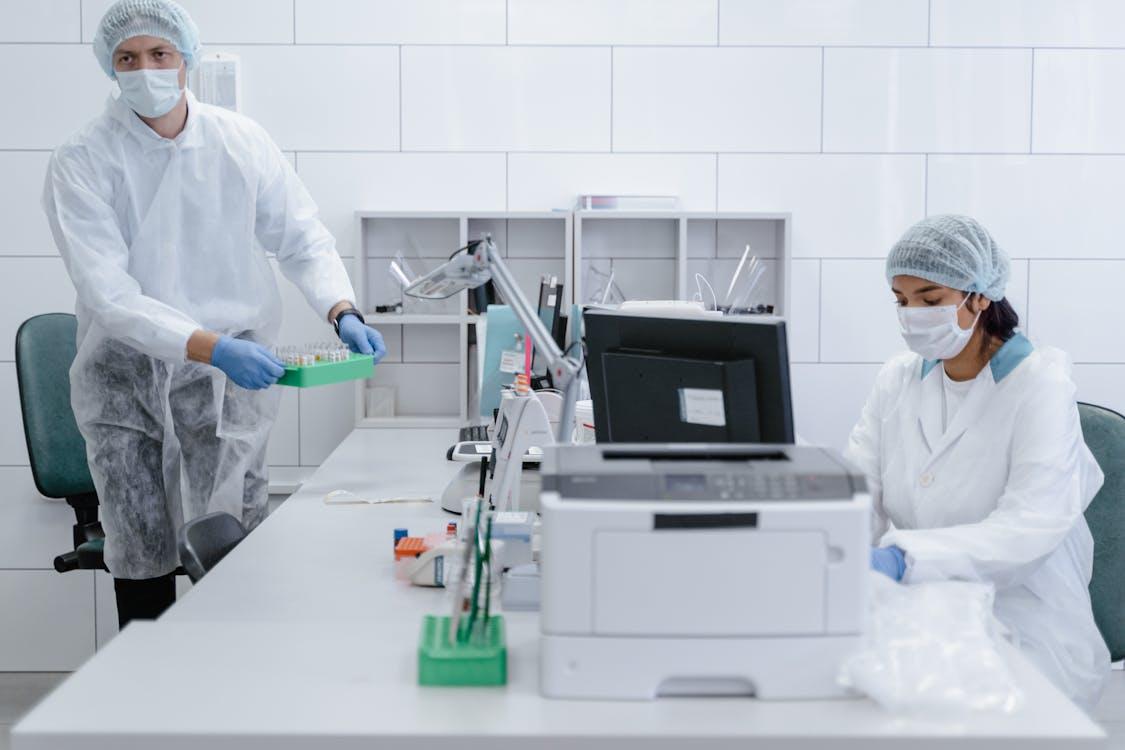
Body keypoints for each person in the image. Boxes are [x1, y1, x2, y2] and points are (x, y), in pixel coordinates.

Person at [41, 0, 386, 627]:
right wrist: (210, 345)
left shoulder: (239, 140)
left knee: (230, 545)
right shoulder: (83, 159)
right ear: (109, 68)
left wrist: (341, 309)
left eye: (159, 54)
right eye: (127, 58)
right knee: (141, 551)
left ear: (186, 59)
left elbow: (302, 236)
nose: (144, 69)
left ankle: (228, 698)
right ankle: (146, 703)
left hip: (230, 384)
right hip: (129, 380)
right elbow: (109, 293)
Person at [845, 214, 1109, 709]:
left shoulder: (1040, 386)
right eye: (901, 301)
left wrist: (902, 559)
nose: (911, 315)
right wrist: (835, 544)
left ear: (979, 295)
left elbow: (1029, 526)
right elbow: (859, 487)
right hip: (919, 610)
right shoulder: (897, 380)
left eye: (929, 300)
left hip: (1022, 621)